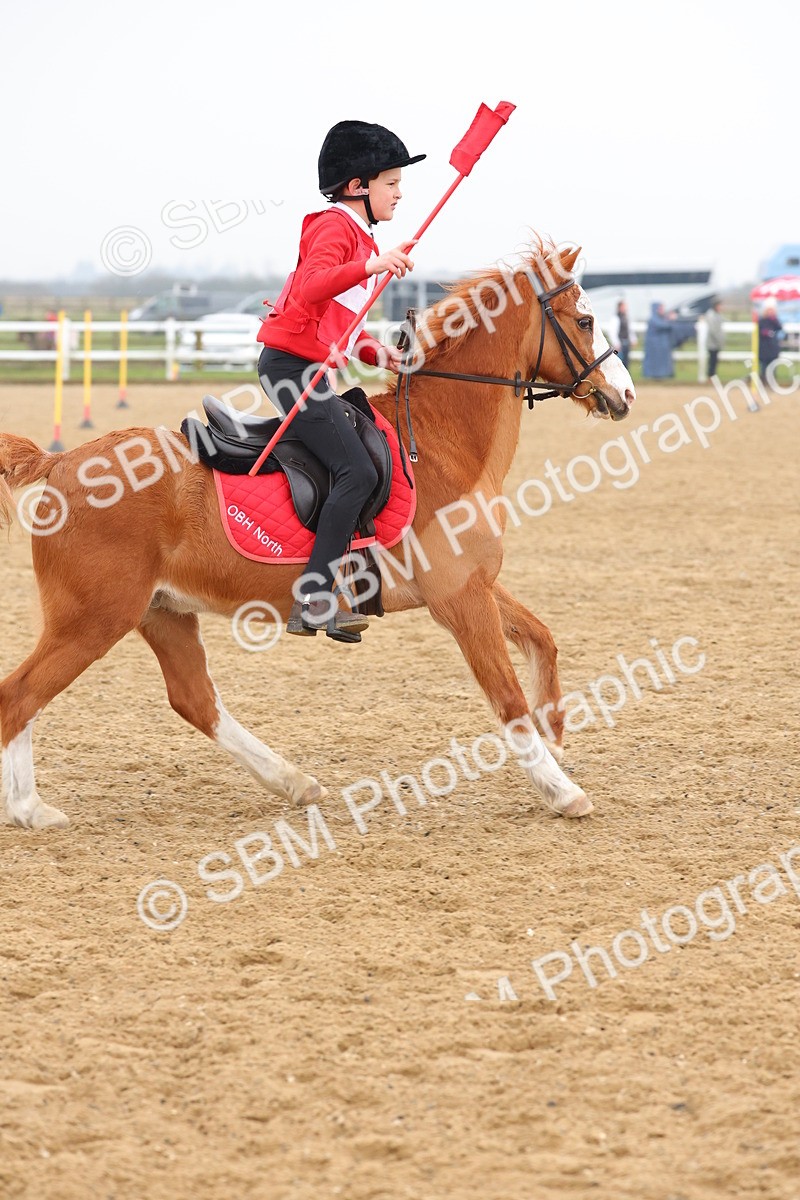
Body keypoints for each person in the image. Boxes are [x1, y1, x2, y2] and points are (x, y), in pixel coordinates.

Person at [257, 120, 426, 644]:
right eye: (391, 182)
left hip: (311, 367)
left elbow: (346, 330)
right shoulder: (334, 228)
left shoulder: (357, 235)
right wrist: (374, 262)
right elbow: (310, 287)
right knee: (353, 468)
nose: (400, 192)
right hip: (290, 369)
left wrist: (385, 358)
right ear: (359, 186)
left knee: (359, 459)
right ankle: (313, 600)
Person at [642, 302, 677, 378]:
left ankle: (663, 375)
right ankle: (652, 375)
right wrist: (671, 319)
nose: (662, 310)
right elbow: (664, 325)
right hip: (654, 347)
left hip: (661, 347)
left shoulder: (661, 318)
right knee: (654, 363)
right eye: (661, 308)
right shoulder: (653, 319)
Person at [758, 298, 785, 385]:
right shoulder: (762, 320)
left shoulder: (775, 320)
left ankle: (772, 383)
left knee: (773, 365)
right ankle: (764, 382)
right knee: (764, 366)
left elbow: (780, 327)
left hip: (773, 347)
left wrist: (774, 320)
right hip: (764, 347)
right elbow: (760, 331)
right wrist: (765, 332)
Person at [606, 299, 637, 369]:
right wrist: (616, 343)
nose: (626, 308)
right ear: (619, 307)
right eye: (624, 306)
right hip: (620, 343)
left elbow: (629, 330)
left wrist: (633, 339)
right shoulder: (616, 318)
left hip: (626, 342)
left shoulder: (626, 317)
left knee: (626, 362)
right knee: (619, 362)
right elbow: (612, 331)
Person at [704, 299, 725, 378]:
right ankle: (710, 377)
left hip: (715, 342)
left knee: (714, 360)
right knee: (712, 361)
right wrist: (719, 340)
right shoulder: (711, 315)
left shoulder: (717, 314)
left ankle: (712, 376)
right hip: (712, 342)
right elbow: (713, 330)